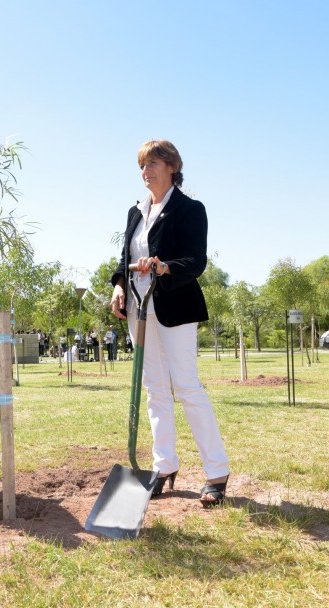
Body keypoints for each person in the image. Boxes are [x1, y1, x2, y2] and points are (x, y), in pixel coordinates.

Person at [110, 139, 229, 507]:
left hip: (174, 308)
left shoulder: (190, 209)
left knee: (187, 386)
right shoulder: (136, 211)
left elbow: (195, 261)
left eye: (154, 163)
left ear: (173, 167)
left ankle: (217, 472)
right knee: (154, 390)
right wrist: (118, 286)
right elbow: (123, 256)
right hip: (137, 308)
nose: (147, 171)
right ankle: (163, 466)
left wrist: (164, 267)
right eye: (143, 165)